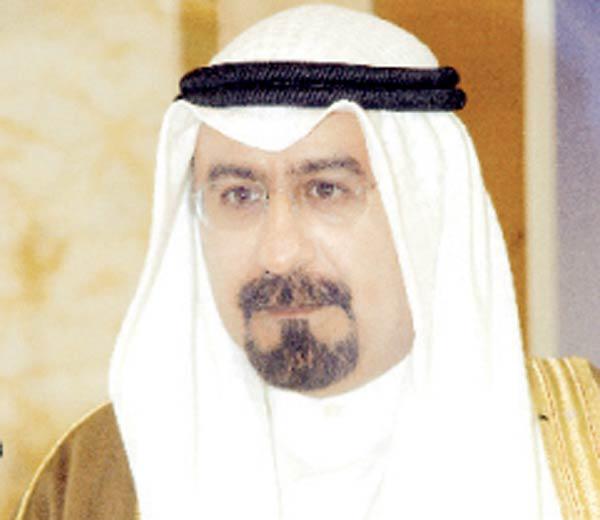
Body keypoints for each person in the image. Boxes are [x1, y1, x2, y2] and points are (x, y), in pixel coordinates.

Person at [16, 5, 599, 520]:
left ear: (427, 210)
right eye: (239, 195)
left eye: (326, 190)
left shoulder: (584, 449)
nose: (279, 253)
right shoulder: (96, 481)